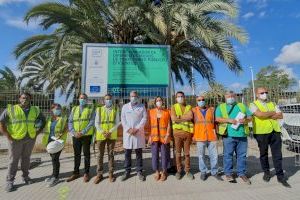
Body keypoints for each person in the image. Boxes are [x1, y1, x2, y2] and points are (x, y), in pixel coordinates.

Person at [0, 92, 46, 192]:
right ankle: (10, 181)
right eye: (23, 98)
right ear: (19, 99)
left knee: (26, 158)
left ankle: (26, 177)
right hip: (15, 139)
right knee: (13, 160)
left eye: (27, 98)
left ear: (31, 99)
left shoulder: (35, 109)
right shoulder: (11, 109)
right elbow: (1, 122)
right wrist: (8, 136)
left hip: (30, 138)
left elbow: (44, 121)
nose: (25, 100)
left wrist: (37, 132)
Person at [250, 87, 291, 188]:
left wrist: (268, 114)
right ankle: (267, 173)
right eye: (262, 93)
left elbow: (280, 115)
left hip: (275, 131)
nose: (265, 94)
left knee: (277, 155)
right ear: (257, 95)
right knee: (263, 154)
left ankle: (280, 176)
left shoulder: (272, 103)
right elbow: (260, 115)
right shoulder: (253, 104)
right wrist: (273, 113)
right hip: (261, 133)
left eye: (266, 92)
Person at [215, 91, 252, 184]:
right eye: (228, 96)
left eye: (232, 96)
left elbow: (250, 117)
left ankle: (242, 173)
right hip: (228, 135)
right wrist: (229, 120)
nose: (230, 97)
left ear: (234, 96)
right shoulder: (221, 107)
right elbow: (217, 119)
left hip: (242, 135)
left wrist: (245, 120)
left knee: (242, 156)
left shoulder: (242, 106)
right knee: (228, 155)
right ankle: (228, 173)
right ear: (225, 97)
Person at [192, 95, 223, 181]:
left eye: (203, 99)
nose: (201, 101)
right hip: (199, 136)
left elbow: (215, 122)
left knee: (214, 155)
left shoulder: (212, 110)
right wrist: (193, 136)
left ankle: (214, 172)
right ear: (197, 101)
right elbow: (192, 123)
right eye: (199, 100)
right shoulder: (194, 111)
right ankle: (203, 172)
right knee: (201, 156)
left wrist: (217, 133)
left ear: (205, 100)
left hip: (211, 136)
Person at [66, 93, 95, 183]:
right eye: (81, 98)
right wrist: (74, 132)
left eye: (84, 98)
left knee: (86, 154)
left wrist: (82, 132)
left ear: (87, 100)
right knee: (76, 154)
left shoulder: (90, 109)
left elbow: (91, 122)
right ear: (78, 99)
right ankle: (76, 172)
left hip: (86, 135)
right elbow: (70, 122)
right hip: (76, 136)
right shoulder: (74, 109)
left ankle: (86, 173)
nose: (83, 100)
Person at [94, 94, 121, 183]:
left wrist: (110, 131)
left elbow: (117, 122)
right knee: (100, 155)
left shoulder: (115, 109)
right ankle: (99, 174)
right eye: (106, 99)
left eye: (109, 99)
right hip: (101, 135)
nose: (108, 100)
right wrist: (103, 132)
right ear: (103, 100)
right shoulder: (99, 109)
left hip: (111, 135)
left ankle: (111, 173)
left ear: (112, 100)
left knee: (111, 154)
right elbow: (96, 123)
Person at [121, 91, 147, 181]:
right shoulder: (125, 107)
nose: (133, 98)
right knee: (127, 154)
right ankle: (127, 171)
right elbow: (123, 119)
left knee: (138, 154)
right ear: (129, 97)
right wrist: (128, 129)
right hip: (128, 133)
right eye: (132, 96)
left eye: (135, 96)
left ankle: (139, 171)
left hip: (138, 133)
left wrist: (137, 129)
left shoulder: (142, 107)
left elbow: (144, 119)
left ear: (138, 97)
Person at [42, 103, 68, 187]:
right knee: (53, 159)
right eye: (56, 108)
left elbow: (66, 128)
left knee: (55, 158)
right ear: (52, 110)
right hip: (49, 141)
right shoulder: (49, 119)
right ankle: (53, 175)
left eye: (59, 108)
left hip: (58, 141)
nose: (58, 110)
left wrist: (61, 134)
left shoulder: (63, 118)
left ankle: (55, 177)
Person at [171, 91, 194, 180]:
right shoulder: (174, 107)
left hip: (187, 133)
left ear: (184, 97)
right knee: (178, 153)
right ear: (176, 98)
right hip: (177, 133)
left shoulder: (189, 107)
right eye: (178, 96)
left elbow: (190, 117)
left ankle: (187, 171)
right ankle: (179, 171)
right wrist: (184, 117)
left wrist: (179, 117)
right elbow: (173, 118)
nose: (180, 98)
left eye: (181, 96)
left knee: (187, 153)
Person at [148, 96, 171, 181]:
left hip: (164, 137)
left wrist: (168, 134)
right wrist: (149, 136)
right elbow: (149, 125)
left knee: (165, 154)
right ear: (155, 102)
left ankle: (164, 171)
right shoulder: (151, 112)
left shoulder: (167, 111)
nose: (159, 102)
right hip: (154, 137)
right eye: (157, 100)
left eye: (160, 100)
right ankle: (157, 171)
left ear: (162, 101)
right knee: (155, 155)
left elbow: (169, 124)